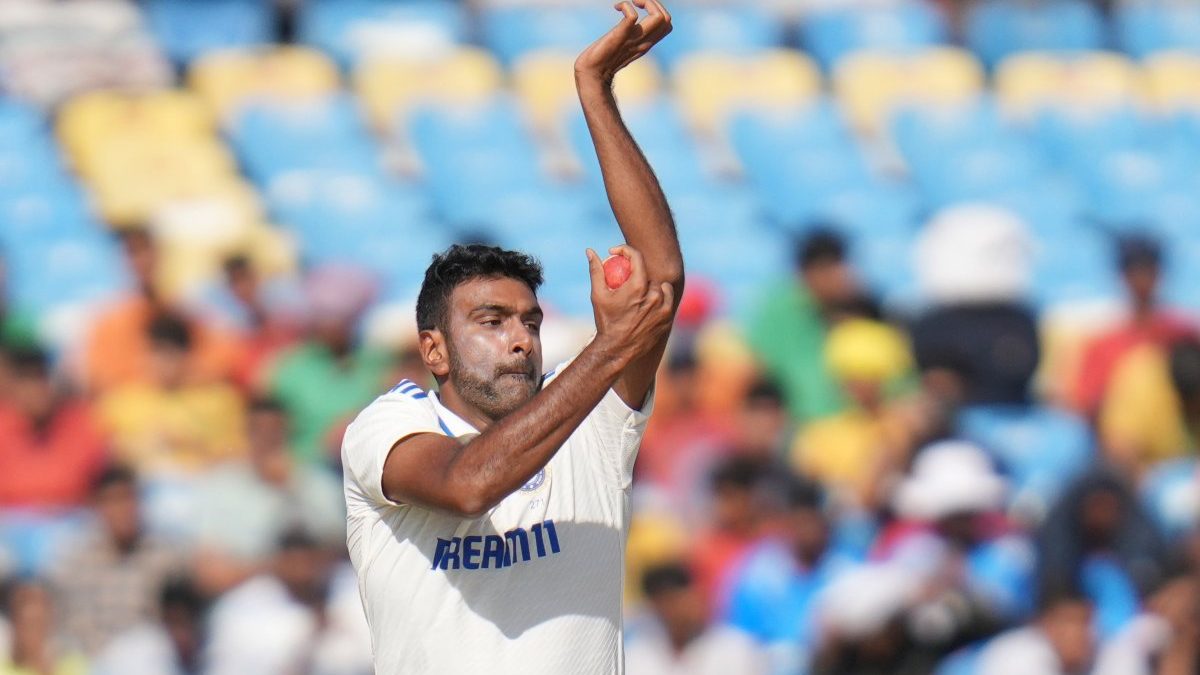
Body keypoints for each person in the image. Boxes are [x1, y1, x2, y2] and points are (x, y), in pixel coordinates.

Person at [339, 2, 682, 672]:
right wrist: (611, 343)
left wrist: (596, 92)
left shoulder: (588, 423)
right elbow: (471, 484)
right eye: (491, 323)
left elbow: (659, 284)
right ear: (433, 348)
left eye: (530, 321)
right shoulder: (388, 427)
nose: (520, 340)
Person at [192, 398, 344, 593]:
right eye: (259, 432)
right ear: (246, 434)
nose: (267, 441)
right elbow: (209, 574)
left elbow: (342, 549)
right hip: (252, 591)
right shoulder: (221, 487)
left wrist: (290, 489)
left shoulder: (316, 483)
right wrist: (275, 568)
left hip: (321, 588)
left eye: (274, 433)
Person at [723, 473, 860, 673]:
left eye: (814, 520)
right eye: (800, 520)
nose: (807, 529)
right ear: (787, 521)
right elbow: (739, 638)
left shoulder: (848, 569)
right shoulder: (757, 574)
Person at [80, 228, 238, 393]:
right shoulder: (108, 321)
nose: (143, 261)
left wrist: (179, 376)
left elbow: (224, 356)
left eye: (147, 250)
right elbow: (99, 376)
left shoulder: (185, 310)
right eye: (133, 253)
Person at [268, 263, 390, 465]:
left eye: (339, 316)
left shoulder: (381, 364)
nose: (330, 325)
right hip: (307, 474)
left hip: (373, 470)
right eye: (324, 315)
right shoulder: (289, 370)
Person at [51, 465, 181, 655]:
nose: (123, 510)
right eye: (112, 501)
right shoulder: (75, 562)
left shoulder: (165, 559)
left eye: (128, 499)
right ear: (97, 507)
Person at [205, 530, 370, 675]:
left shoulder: (351, 587)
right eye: (293, 562)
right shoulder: (243, 605)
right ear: (277, 561)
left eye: (309, 562)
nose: (302, 571)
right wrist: (310, 632)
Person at [98, 313, 246, 474]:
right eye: (154, 353)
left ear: (187, 355)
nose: (160, 363)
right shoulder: (121, 402)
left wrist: (194, 446)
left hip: (204, 483)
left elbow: (238, 453)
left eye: (169, 354)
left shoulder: (219, 400)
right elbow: (105, 454)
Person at [745, 228, 858, 423]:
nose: (841, 276)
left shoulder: (860, 310)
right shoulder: (779, 311)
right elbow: (758, 366)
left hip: (849, 425)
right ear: (808, 272)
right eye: (830, 268)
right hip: (793, 425)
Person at [0, 347, 108, 509]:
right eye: (27, 381)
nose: (35, 390)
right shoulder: (3, 425)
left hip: (70, 518)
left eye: (41, 379)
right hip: (10, 520)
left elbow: (93, 480)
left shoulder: (80, 423)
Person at [625, 562, 768, 675]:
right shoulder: (638, 653)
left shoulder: (736, 647)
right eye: (667, 603)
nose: (677, 611)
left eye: (680, 600)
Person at [90, 576, 210, 675]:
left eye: (189, 626)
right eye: (175, 624)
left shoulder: (214, 652)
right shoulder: (128, 655)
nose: (182, 635)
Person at [975, 588, 1096, 675]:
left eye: (1086, 623)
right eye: (1071, 622)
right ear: (1048, 624)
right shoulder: (1019, 654)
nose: (1083, 634)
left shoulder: (1095, 655)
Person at [0, 579, 87, 675]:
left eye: (38, 622)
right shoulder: (4, 670)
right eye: (26, 624)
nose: (31, 633)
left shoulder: (73, 664)